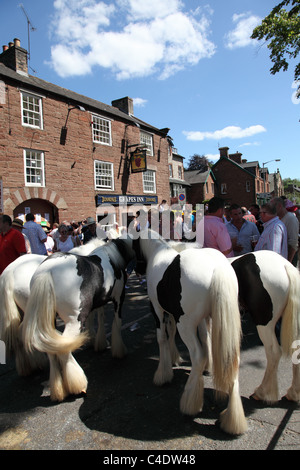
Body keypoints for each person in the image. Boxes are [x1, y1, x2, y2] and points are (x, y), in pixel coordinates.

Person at [270, 197, 299, 266]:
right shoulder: (277, 218)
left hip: (289, 258)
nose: (271, 210)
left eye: (273, 207)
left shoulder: (291, 218)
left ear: (279, 206)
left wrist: (287, 263)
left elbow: (293, 243)